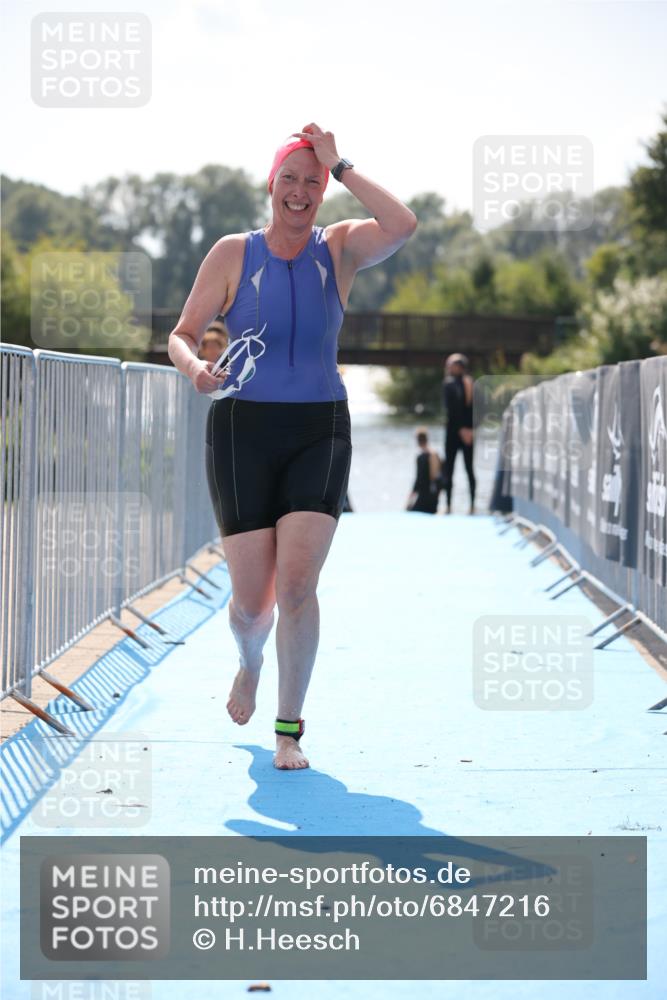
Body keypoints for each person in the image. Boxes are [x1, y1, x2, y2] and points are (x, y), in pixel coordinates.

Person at [167, 123, 417, 770]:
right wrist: (195, 368)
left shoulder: (338, 250)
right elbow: (183, 333)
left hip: (318, 430)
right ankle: (248, 663)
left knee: (298, 588)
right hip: (239, 432)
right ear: (270, 186)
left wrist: (342, 163)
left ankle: (288, 729)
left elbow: (402, 222)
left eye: (313, 181)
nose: (301, 191)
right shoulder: (232, 253)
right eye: (290, 179)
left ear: (323, 190)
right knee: (252, 606)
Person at [441, 353, 476, 515]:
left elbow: (472, 409)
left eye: (452, 365)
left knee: (466, 468)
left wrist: (468, 430)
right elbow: (453, 410)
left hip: (463, 432)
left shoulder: (468, 383)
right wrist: (465, 429)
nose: (449, 367)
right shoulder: (451, 384)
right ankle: (450, 505)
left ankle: (470, 505)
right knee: (452, 469)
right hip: (459, 432)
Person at [406, 428, 441, 514]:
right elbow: (437, 478)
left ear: (418, 441)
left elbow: (419, 479)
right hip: (432, 496)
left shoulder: (421, 457)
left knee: (410, 510)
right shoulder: (434, 454)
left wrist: (410, 497)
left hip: (425, 496)